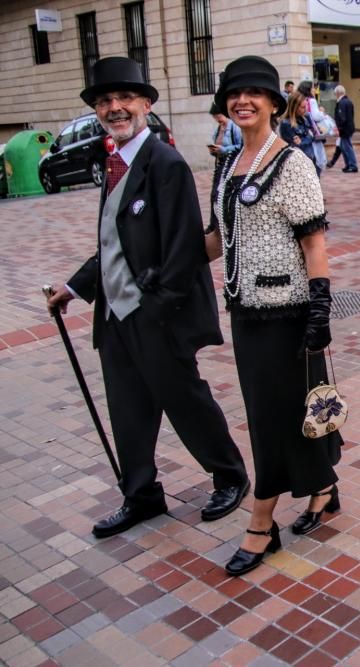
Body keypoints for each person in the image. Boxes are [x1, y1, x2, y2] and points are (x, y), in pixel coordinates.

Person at [46, 57, 249, 538]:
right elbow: (113, 242)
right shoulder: (113, 161)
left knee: (184, 400)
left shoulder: (166, 164)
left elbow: (182, 250)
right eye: (104, 102)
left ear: (146, 104)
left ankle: (230, 476)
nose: (115, 108)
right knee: (128, 407)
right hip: (116, 316)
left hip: (157, 314)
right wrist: (74, 287)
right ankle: (141, 496)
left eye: (124, 99)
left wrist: (155, 310)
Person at [205, 56, 343, 576]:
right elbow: (219, 239)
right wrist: (167, 263)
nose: (243, 101)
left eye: (254, 93)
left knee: (272, 422)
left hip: (288, 316)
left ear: (273, 102)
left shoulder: (293, 163)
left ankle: (261, 524)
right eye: (234, 94)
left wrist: (320, 308)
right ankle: (325, 490)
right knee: (282, 415)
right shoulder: (225, 164)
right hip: (246, 315)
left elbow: (314, 242)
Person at [279, 92, 321, 176]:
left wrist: (305, 139)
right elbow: (295, 145)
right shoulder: (286, 124)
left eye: (306, 106)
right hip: (296, 165)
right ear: (295, 107)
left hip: (311, 160)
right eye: (303, 107)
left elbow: (313, 135)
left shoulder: (305, 118)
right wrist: (308, 138)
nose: (305, 109)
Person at [327, 85, 359, 172]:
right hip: (349, 127)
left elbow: (342, 117)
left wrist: (339, 128)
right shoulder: (348, 101)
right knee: (343, 146)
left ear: (337, 93)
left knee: (347, 147)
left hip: (345, 129)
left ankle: (352, 165)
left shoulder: (341, 103)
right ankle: (348, 164)